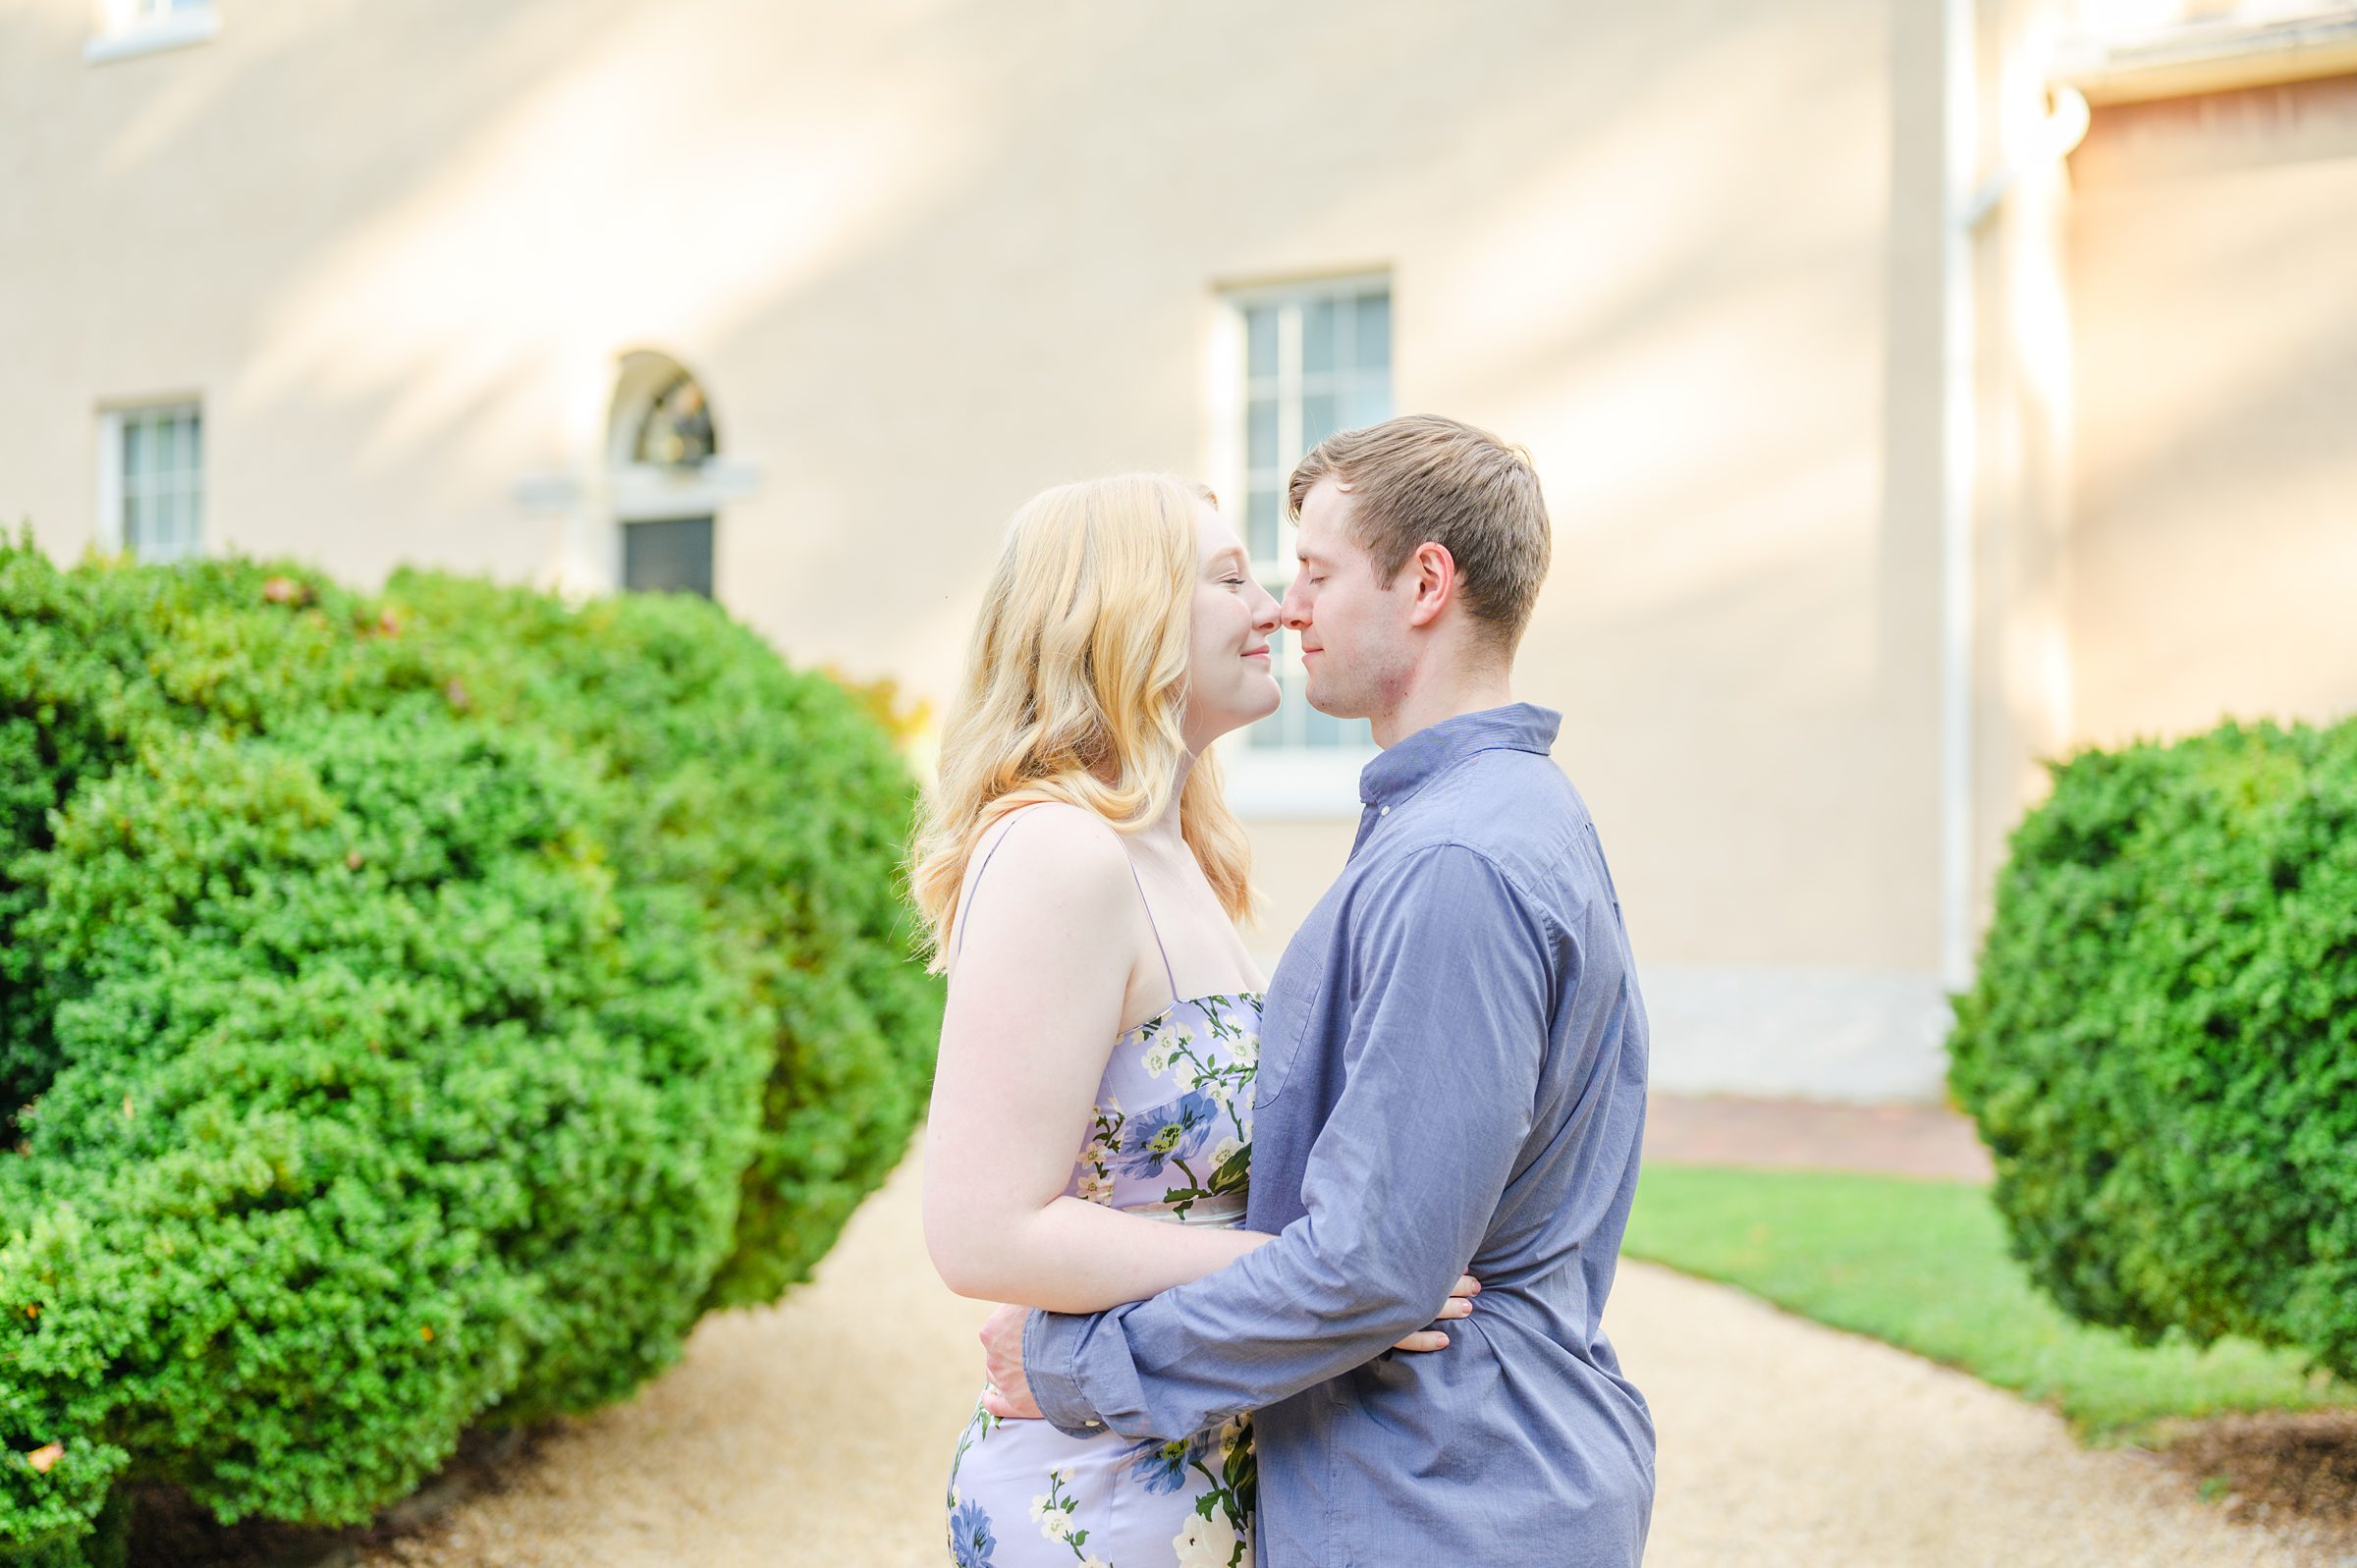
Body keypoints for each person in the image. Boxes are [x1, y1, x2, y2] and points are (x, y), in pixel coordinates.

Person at [977, 416, 1657, 1566]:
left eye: (1316, 572)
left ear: (1427, 582)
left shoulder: (1456, 861)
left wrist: (1069, 1364)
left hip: (1446, 1497)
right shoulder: (1478, 821)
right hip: (1460, 1477)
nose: (1288, 607)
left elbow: (1373, 1270)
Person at [910, 472, 1479, 1568]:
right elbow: (980, 1228)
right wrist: (1322, 1282)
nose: (1275, 609)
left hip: (1197, 1453)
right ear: (1117, 613)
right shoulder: (1058, 854)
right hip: (1101, 1496)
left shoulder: (1184, 858)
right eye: (1231, 580)